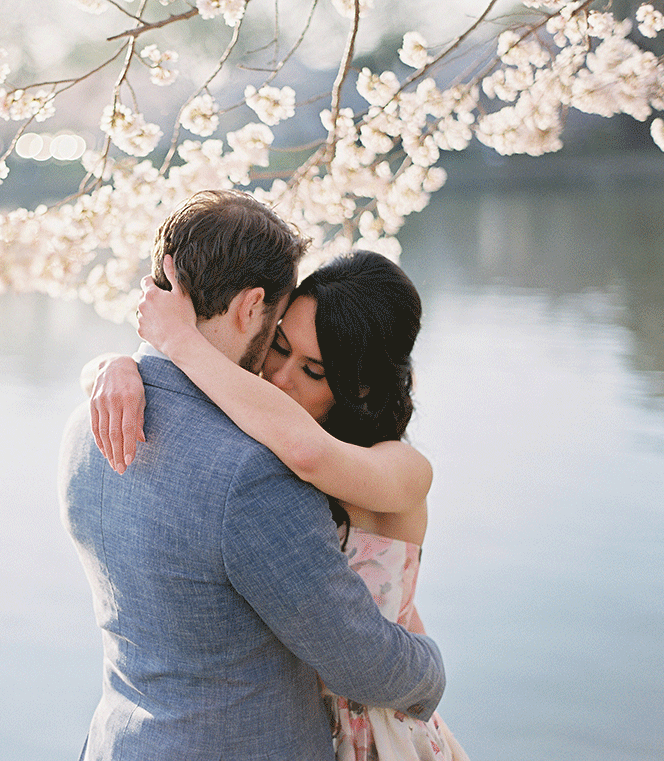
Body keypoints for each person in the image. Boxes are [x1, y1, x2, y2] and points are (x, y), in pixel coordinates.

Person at [58, 189, 446, 761]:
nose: (279, 375)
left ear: (358, 383)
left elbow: (310, 452)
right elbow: (362, 660)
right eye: (278, 342)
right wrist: (432, 670)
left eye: (313, 369)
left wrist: (147, 354)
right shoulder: (252, 470)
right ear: (252, 308)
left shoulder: (88, 425)